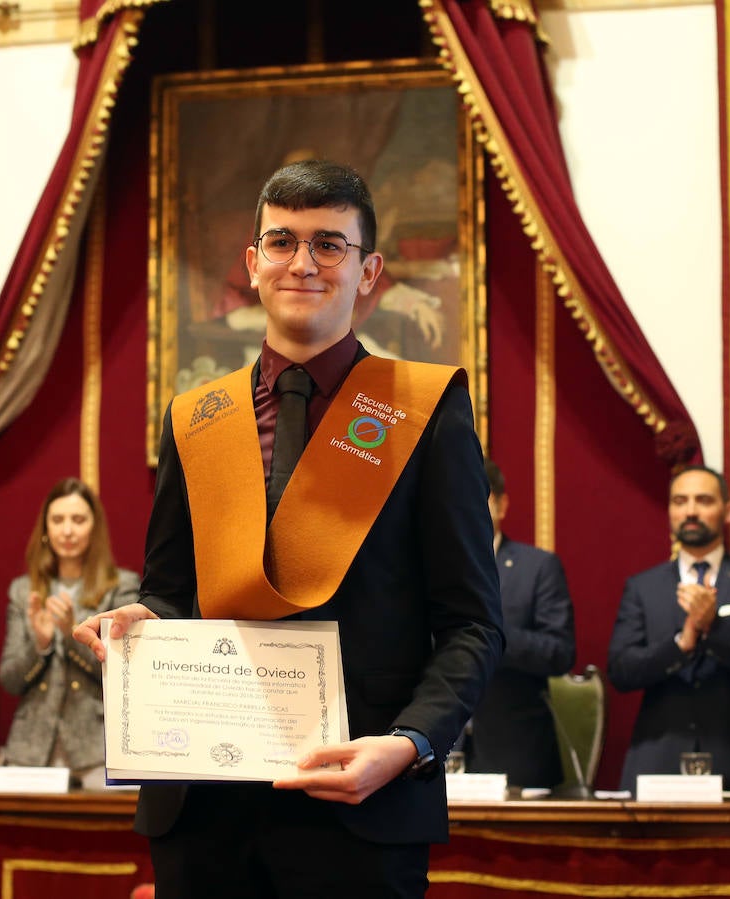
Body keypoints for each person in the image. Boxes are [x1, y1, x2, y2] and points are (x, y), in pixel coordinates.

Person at [74, 159, 503, 897]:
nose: (303, 262)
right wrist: (142, 622)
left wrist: (406, 746)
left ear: (368, 272)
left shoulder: (425, 413)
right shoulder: (196, 418)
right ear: (254, 264)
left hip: (356, 803)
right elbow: (173, 592)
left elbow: (472, 623)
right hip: (204, 808)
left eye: (329, 244)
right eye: (282, 241)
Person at [607, 465, 730, 795]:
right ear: (670, 511)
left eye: (703, 500)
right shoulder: (642, 587)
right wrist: (681, 643)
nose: (690, 511)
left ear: (728, 511)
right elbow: (621, 671)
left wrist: (715, 627)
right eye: (680, 501)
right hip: (658, 759)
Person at [0, 477, 140, 785]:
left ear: (94, 529)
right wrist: (41, 643)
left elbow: (125, 674)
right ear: (45, 529)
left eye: (78, 520)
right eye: (58, 520)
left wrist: (70, 634)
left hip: (96, 745)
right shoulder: (24, 591)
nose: (67, 530)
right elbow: (9, 679)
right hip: (32, 749)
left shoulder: (121, 588)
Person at [463, 458, 576, 789]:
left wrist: (491, 632)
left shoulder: (538, 567)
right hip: (437, 748)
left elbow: (560, 652)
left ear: (501, 505)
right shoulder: (427, 568)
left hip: (515, 752)